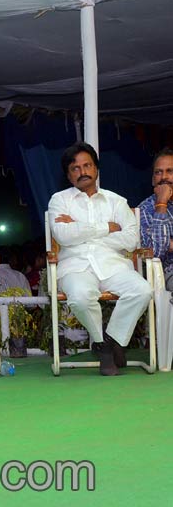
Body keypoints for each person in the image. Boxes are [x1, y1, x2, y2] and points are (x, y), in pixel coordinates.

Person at [48, 142, 151, 375]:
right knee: (81, 297)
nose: (82, 171)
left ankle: (112, 342)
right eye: (75, 168)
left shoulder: (116, 201)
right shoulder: (59, 200)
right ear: (68, 174)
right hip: (75, 266)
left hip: (113, 264)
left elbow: (131, 240)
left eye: (87, 165)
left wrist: (82, 232)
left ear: (96, 169)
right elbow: (62, 235)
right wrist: (107, 227)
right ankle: (102, 345)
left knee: (142, 290)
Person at [138, 147, 173, 290]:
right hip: (167, 271)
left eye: (170, 171)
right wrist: (161, 204)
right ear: (153, 180)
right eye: (158, 172)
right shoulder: (144, 209)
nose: (164, 177)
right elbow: (155, 251)